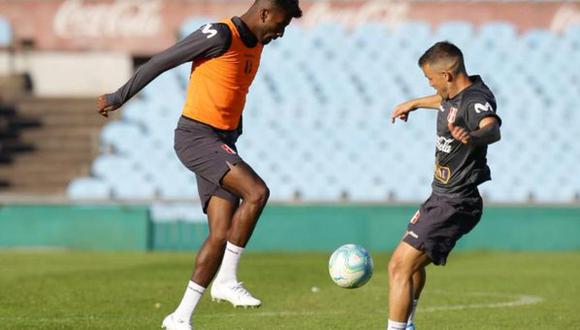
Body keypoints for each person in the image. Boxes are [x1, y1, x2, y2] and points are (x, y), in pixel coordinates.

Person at [96, 1, 302, 329]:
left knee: (220, 234)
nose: (281, 32)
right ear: (264, 13)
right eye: (281, 23)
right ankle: (226, 281)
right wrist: (120, 96)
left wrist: (235, 126)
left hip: (222, 139)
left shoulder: (256, 42)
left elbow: (232, 88)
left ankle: (179, 317)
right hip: (196, 137)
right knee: (257, 193)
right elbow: (164, 60)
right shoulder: (221, 34)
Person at [388, 41, 502, 330]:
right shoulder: (453, 95)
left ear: (447, 75)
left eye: (431, 78)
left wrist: (473, 137)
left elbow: (492, 127)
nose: (430, 83)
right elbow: (443, 101)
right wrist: (413, 103)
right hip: (438, 198)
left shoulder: (476, 99)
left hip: (456, 202)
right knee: (411, 267)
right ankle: (408, 324)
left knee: (399, 266)